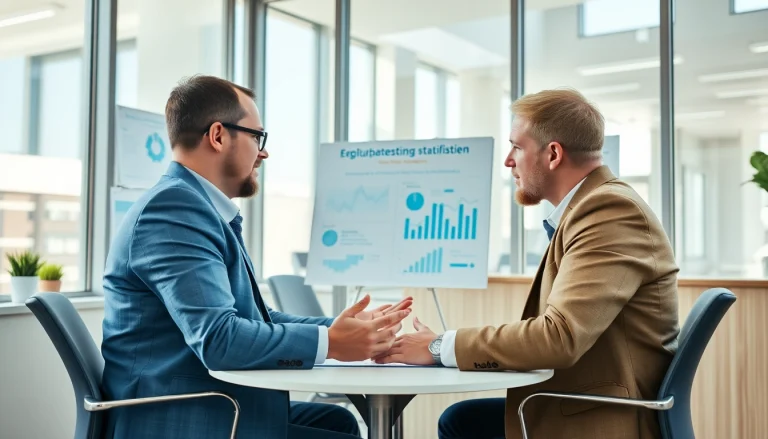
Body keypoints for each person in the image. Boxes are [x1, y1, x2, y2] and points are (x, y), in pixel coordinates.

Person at [101, 74, 412, 439]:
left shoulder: (196, 206)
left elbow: (254, 317)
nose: (263, 152)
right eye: (256, 137)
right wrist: (332, 343)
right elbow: (220, 340)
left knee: (339, 422)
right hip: (186, 417)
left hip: (216, 403)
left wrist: (340, 331)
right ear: (218, 136)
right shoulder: (174, 210)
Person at [374, 88, 680, 439]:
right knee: (460, 420)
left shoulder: (608, 212)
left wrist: (439, 346)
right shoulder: (590, 208)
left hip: (605, 418)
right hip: (581, 399)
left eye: (517, 147)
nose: (508, 160)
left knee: (462, 423)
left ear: (552, 154)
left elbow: (559, 337)